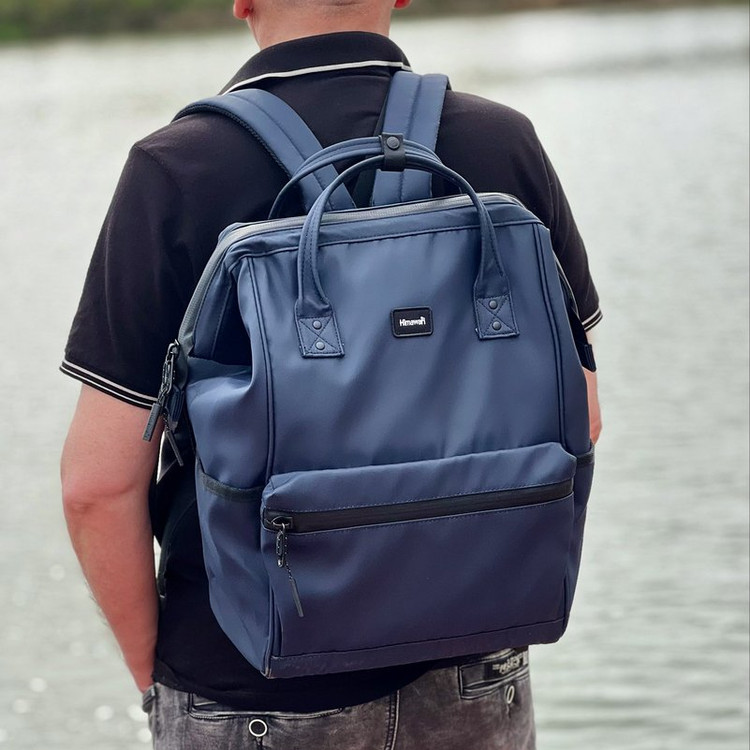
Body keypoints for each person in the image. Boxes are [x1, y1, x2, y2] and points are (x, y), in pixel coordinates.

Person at [60, 1, 602, 748]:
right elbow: (580, 415)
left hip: (248, 689)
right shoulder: (499, 142)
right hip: (476, 674)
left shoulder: (177, 168)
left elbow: (96, 487)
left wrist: (155, 678)